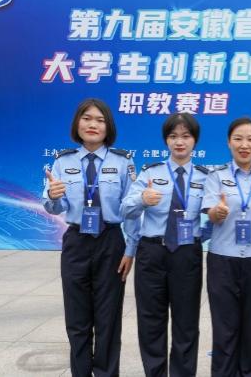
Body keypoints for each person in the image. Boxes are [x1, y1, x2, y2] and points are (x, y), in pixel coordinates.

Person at [42, 98, 138, 377]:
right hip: (76, 242)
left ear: (108, 127)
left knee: (108, 319)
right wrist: (53, 196)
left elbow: (132, 209)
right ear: (77, 124)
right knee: (77, 318)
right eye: (87, 118)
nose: (93, 124)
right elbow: (55, 206)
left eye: (100, 120)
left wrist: (130, 249)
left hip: (111, 242)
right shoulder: (63, 161)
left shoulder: (123, 161)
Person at [121, 113, 208, 377]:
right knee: (151, 323)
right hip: (152, 252)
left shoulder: (206, 176)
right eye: (173, 136)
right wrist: (142, 200)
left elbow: (217, 214)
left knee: (186, 323)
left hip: (187, 254)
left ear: (195, 141)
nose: (179, 142)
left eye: (186, 136)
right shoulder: (150, 172)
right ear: (166, 140)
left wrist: (199, 237)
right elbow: (126, 210)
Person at [201, 117, 251, 377]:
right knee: (224, 329)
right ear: (229, 142)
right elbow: (210, 212)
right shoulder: (216, 177)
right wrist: (217, 212)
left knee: (250, 328)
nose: (244, 145)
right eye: (238, 139)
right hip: (223, 261)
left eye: (250, 139)